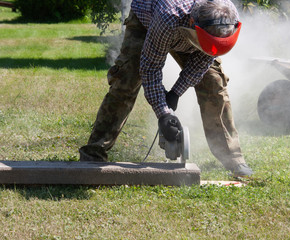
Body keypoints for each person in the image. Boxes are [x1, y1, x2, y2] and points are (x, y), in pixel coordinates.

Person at [79, 0, 253, 177]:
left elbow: (204, 59)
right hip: (146, 21)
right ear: (193, 24)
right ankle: (94, 153)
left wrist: (176, 92)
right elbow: (150, 68)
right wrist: (163, 113)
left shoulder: (227, 16)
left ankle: (233, 158)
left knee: (214, 83)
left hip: (198, 31)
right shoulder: (168, 18)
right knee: (126, 80)